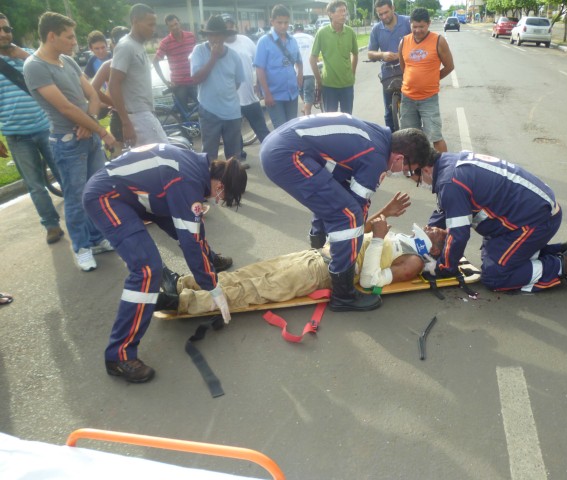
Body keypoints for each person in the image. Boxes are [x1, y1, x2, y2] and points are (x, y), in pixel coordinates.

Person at [83, 143, 248, 383]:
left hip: (136, 194)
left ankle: (210, 260)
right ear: (220, 184)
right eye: (222, 195)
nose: (218, 199)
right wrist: (212, 287)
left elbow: (192, 229)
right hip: (107, 197)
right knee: (147, 269)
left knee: (189, 227)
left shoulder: (195, 168)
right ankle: (119, 356)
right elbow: (190, 240)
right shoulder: (188, 181)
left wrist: (207, 267)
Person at [160, 194, 450, 315]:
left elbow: (370, 279)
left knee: (256, 288)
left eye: (439, 232)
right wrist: (385, 213)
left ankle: (182, 302)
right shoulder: (405, 241)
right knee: (249, 273)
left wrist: (379, 241)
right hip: (319, 255)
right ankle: (187, 283)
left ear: (435, 250)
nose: (432, 227)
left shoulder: (413, 262)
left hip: (322, 273)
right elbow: (359, 231)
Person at [260, 113, 433, 312]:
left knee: (338, 197)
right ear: (400, 158)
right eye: (408, 170)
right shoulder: (376, 159)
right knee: (348, 217)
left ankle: (318, 241)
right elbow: (356, 211)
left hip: (279, 146)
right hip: (286, 155)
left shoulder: (378, 138)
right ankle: (343, 295)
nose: (404, 174)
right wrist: (354, 245)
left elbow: (339, 192)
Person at [402, 133, 567, 293]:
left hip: (536, 220)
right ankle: (562, 250)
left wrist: (442, 268)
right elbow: (445, 211)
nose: (417, 183)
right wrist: (425, 237)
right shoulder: (447, 163)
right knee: (492, 254)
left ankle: (564, 264)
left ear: (424, 169)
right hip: (530, 212)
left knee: (495, 275)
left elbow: (459, 235)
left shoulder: (449, 182)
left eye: (411, 175)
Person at [24, 12, 117, 271]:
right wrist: (100, 130)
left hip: (85, 138)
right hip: (67, 143)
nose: (74, 42)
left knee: (96, 193)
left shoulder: (67, 61)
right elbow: (64, 108)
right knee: (76, 198)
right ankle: (81, 247)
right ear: (51, 36)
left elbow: (93, 95)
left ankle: (97, 238)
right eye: (69, 36)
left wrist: (89, 122)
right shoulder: (35, 67)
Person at [0, 12, 64, 244]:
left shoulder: (26, 56)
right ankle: (51, 225)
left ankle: (84, 216)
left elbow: (54, 71)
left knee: (64, 173)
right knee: (35, 185)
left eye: (7, 29)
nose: (4, 34)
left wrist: (23, 55)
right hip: (16, 135)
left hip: (45, 127)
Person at [110, 3, 168, 147]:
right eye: (150, 25)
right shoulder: (126, 46)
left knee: (158, 160)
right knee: (165, 157)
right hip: (137, 116)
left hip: (146, 113)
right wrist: (126, 123)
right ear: (135, 21)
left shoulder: (138, 45)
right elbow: (113, 84)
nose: (153, 29)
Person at [398, 8, 454, 153]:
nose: (417, 30)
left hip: (429, 99)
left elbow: (449, 66)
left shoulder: (438, 41)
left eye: (421, 26)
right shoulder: (404, 42)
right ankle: (415, 168)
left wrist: (432, 78)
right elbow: (404, 68)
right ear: (410, 24)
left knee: (435, 137)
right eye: (414, 26)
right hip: (407, 99)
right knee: (410, 138)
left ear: (428, 24)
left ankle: (444, 168)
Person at [190, 15, 244, 161]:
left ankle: (232, 184)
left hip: (232, 113)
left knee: (234, 157)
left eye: (219, 34)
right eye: (211, 34)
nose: (215, 38)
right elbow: (196, 79)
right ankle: (210, 184)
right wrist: (213, 57)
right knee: (209, 156)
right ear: (207, 36)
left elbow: (237, 83)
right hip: (209, 112)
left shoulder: (234, 56)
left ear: (225, 35)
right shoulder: (199, 51)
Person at [223, 15, 270, 151]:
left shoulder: (246, 41)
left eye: (231, 26)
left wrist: (259, 84)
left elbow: (259, 64)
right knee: (234, 134)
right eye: (226, 27)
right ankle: (239, 160)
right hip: (230, 100)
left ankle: (271, 153)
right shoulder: (219, 46)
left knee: (262, 130)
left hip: (250, 97)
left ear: (235, 26)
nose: (229, 29)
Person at [254, 4, 303, 129]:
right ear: (272, 21)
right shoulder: (264, 42)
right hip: (274, 95)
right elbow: (259, 69)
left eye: (286, 22)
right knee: (281, 131)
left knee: (293, 128)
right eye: (279, 22)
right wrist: (267, 93)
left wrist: (300, 75)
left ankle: (293, 149)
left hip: (292, 93)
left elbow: (299, 60)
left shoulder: (292, 40)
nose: (283, 26)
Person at [368, 0, 411, 131]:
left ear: (393, 8)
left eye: (386, 12)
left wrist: (402, 55)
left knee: (411, 110)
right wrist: (382, 55)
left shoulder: (407, 22)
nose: (384, 17)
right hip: (388, 74)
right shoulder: (376, 29)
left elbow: (420, 43)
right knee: (388, 112)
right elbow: (370, 53)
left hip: (408, 71)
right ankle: (392, 141)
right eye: (380, 14)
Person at [310, 0, 359, 114]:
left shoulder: (350, 32)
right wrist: (319, 80)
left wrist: (352, 73)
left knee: (347, 118)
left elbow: (355, 54)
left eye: (344, 11)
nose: (344, 14)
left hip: (347, 85)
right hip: (329, 85)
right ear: (330, 14)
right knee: (331, 120)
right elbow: (312, 59)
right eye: (340, 11)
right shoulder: (322, 33)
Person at [90, 26, 129, 152]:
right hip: (120, 116)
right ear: (112, 45)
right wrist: (112, 103)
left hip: (138, 114)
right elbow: (91, 89)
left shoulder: (136, 60)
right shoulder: (109, 64)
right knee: (121, 158)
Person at [153, 14, 197, 115]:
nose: (175, 27)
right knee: (184, 115)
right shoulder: (165, 42)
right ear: (168, 27)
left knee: (204, 107)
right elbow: (155, 62)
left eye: (176, 24)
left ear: (179, 23)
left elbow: (197, 56)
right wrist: (165, 81)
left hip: (194, 80)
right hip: (178, 84)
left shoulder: (191, 36)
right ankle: (187, 131)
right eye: (171, 26)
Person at [293, 23, 315, 115]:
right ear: (303, 30)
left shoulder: (291, 39)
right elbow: (315, 54)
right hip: (310, 71)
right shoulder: (310, 38)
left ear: (294, 30)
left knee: (301, 91)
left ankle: (306, 109)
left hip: (296, 73)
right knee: (308, 94)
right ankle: (307, 110)